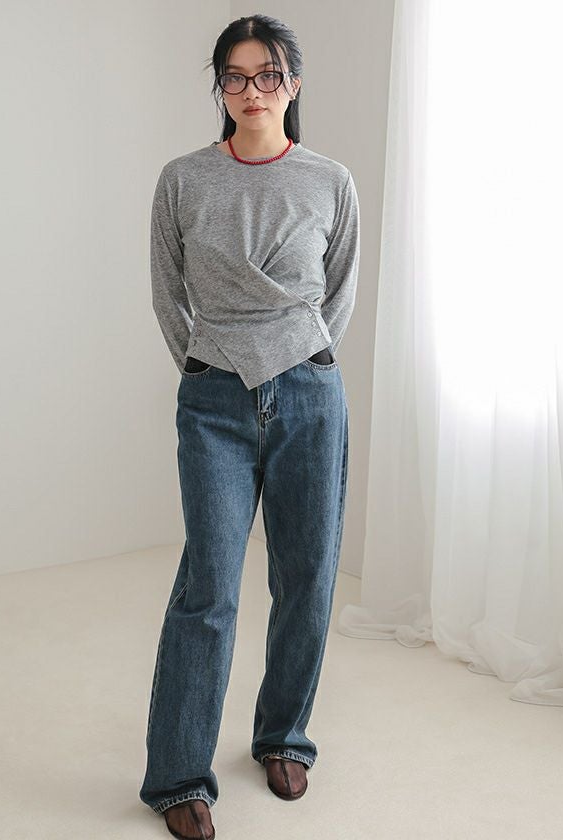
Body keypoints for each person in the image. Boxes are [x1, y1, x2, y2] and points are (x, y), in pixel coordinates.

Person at [139, 13, 360, 840]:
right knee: (210, 588)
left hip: (310, 395)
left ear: (292, 85)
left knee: (308, 577)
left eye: (268, 75)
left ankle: (283, 738)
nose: (252, 90)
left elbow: (338, 292)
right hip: (215, 401)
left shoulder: (330, 180)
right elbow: (168, 293)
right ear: (220, 88)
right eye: (235, 76)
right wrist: (207, 366)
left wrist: (305, 356)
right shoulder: (183, 179)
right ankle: (178, 777)